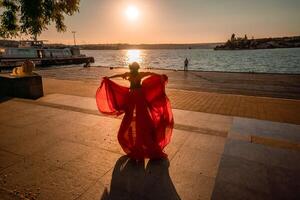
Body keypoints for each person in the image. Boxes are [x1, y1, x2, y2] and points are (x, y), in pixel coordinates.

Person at [96, 62, 174, 160]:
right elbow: (150, 73)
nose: (134, 70)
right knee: (142, 118)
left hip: (133, 97)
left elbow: (120, 75)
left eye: (133, 68)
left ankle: (140, 143)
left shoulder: (130, 74)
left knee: (137, 118)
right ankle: (144, 142)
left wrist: (109, 77)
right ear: (136, 68)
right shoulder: (138, 74)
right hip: (138, 97)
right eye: (134, 68)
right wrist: (160, 76)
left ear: (132, 68)